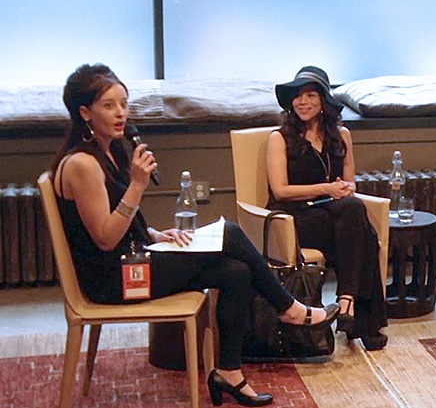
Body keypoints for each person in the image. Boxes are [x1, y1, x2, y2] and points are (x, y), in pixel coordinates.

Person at [53, 64, 338, 407]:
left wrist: (157, 233)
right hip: (114, 280)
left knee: (238, 272)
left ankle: (228, 373)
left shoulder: (110, 151)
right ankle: (289, 308)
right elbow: (104, 239)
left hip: (134, 260)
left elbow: (120, 224)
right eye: (109, 106)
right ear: (85, 112)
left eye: (124, 104)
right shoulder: (82, 164)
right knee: (229, 234)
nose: (121, 114)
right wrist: (138, 186)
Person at [266, 66, 388, 351]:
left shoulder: (341, 135)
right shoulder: (279, 138)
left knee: (353, 213)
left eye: (310, 95)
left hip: (335, 216)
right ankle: (360, 317)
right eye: (297, 97)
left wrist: (343, 190)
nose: (303, 102)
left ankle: (347, 304)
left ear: (323, 101)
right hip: (294, 219)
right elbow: (280, 190)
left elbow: (349, 183)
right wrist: (328, 189)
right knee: (363, 232)